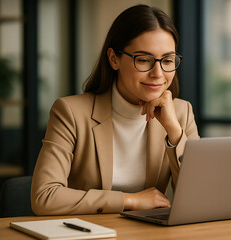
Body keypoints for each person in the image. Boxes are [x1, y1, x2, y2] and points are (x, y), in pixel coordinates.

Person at [31, 4, 199, 215]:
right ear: (114, 59)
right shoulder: (70, 112)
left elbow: (202, 197)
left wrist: (174, 132)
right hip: (88, 232)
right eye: (144, 60)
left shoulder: (181, 112)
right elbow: (44, 196)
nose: (158, 73)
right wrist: (129, 200)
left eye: (167, 60)